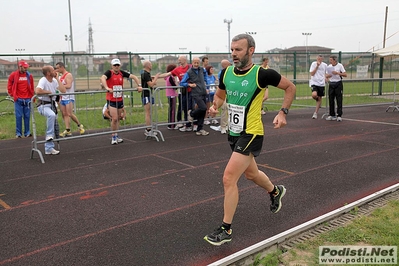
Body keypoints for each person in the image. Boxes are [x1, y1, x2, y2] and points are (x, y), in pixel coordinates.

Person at [204, 34, 296, 246]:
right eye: (232, 49)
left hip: (252, 132)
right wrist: (215, 106)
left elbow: (290, 87)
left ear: (250, 51)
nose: (234, 53)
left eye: (238, 50)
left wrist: (283, 113)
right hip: (233, 132)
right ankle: (275, 191)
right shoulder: (226, 72)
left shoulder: (262, 74)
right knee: (252, 174)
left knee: (229, 178)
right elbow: (220, 96)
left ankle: (226, 229)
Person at [100, 58, 142, 144]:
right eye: (115, 65)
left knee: (118, 118)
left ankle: (116, 134)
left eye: (118, 65)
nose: (116, 66)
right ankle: (113, 136)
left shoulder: (121, 73)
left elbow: (134, 76)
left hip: (119, 99)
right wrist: (107, 88)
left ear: (120, 66)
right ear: (112, 66)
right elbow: (102, 78)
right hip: (111, 99)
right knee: (114, 118)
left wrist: (139, 85)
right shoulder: (109, 73)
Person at [35, 66, 67, 155]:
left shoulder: (54, 81)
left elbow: (63, 90)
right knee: (51, 115)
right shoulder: (43, 80)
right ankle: (49, 135)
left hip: (52, 105)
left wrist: (57, 78)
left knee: (54, 124)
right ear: (48, 73)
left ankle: (49, 148)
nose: (55, 71)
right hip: (43, 105)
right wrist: (48, 92)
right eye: (53, 70)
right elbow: (37, 91)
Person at [159, 56, 192, 132]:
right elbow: (167, 74)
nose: (179, 61)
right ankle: (187, 124)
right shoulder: (177, 69)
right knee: (185, 108)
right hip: (183, 91)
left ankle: (194, 123)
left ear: (185, 60)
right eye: (178, 60)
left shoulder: (190, 67)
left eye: (180, 60)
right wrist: (157, 77)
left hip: (192, 90)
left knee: (191, 108)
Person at [180, 57, 209, 136]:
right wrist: (189, 84)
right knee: (203, 108)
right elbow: (182, 83)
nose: (196, 64)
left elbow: (205, 78)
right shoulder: (189, 72)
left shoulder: (202, 70)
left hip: (203, 92)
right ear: (192, 63)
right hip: (196, 93)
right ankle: (192, 114)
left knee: (203, 111)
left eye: (197, 63)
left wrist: (206, 86)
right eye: (195, 63)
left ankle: (200, 129)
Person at [55, 62, 85, 137]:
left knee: (69, 114)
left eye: (58, 68)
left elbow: (68, 85)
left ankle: (79, 125)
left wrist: (60, 86)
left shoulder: (68, 75)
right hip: (62, 97)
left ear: (62, 67)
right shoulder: (59, 77)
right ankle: (67, 129)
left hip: (69, 97)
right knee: (64, 114)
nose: (57, 70)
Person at [7, 60, 35, 138]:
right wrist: (13, 95)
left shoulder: (29, 76)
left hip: (27, 99)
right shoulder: (13, 75)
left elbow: (32, 87)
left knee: (27, 116)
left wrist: (32, 97)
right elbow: (9, 85)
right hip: (18, 99)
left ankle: (27, 132)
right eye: (24, 67)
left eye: (27, 67)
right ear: (20, 67)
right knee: (18, 116)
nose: (26, 69)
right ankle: (18, 133)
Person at [141, 60, 160, 136]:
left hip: (149, 94)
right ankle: (148, 129)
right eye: (151, 64)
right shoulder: (145, 74)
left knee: (150, 113)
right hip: (146, 95)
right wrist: (156, 77)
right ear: (148, 65)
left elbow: (152, 83)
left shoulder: (147, 74)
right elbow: (151, 84)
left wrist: (153, 79)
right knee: (148, 113)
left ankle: (150, 127)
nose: (152, 65)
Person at [326, 55, 347, 122]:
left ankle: (339, 115)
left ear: (335, 60)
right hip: (331, 84)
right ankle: (332, 114)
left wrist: (337, 73)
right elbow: (326, 75)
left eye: (331, 60)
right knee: (331, 100)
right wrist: (329, 75)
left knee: (339, 99)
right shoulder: (329, 67)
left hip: (338, 84)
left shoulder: (340, 66)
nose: (330, 61)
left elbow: (345, 74)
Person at [309, 55, 327, 119]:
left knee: (320, 97)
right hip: (314, 82)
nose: (319, 60)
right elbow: (312, 74)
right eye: (318, 59)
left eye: (320, 59)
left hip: (321, 84)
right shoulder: (313, 64)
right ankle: (318, 100)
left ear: (322, 59)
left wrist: (326, 78)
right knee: (314, 95)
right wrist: (317, 66)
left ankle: (315, 113)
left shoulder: (325, 65)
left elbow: (326, 73)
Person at [164, 64, 178, 129]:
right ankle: (172, 125)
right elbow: (174, 87)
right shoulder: (170, 77)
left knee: (171, 109)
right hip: (172, 95)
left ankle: (170, 124)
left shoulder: (168, 77)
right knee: (172, 110)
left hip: (169, 95)